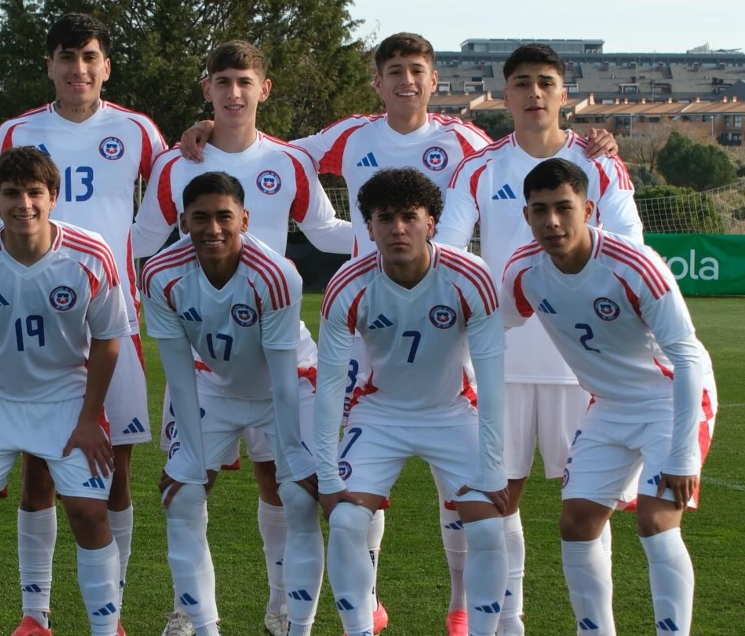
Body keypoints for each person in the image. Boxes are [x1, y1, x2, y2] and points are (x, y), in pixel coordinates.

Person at [179, 33, 617, 634]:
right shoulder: (351, 136)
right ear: (377, 81)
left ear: (433, 80)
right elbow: (270, 152)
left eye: (416, 71)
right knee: (363, 480)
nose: (405, 81)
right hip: (366, 317)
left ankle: (465, 604)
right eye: (393, 71)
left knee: (461, 488)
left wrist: (595, 145)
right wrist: (210, 130)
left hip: (446, 317)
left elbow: (534, 160)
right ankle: (371, 598)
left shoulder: (466, 143)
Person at [132, 39, 348, 636]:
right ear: (208, 89)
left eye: (243, 82)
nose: (233, 93)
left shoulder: (288, 162)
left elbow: (327, 232)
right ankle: (190, 610)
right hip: (205, 352)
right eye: (222, 81)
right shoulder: (177, 163)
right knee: (183, 484)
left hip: (276, 341)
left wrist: (407, 241)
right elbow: (144, 237)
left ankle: (283, 609)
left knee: (282, 484)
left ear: (262, 90)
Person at [438, 43, 643, 635]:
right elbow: (451, 250)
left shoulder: (601, 163)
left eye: (545, 82)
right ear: (505, 97)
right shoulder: (480, 167)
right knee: (498, 502)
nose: (533, 93)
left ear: (563, 94)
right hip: (500, 359)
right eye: (521, 83)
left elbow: (632, 241)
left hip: (584, 365)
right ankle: (508, 625)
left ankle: (594, 627)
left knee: (588, 514)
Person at [0, 15, 167, 633]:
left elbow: (174, 196)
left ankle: (108, 613)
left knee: (113, 470)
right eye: (67, 57)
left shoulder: (139, 130)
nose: (78, 69)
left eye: (90, 57)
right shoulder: (17, 130)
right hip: (36, 323)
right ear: (51, 65)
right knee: (39, 465)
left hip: (112, 320)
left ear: (105, 66)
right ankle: (35, 613)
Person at [502, 158, 717, 635]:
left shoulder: (634, 265)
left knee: (656, 521)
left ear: (589, 209)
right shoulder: (524, 271)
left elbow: (686, 356)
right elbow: (493, 326)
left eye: (564, 207)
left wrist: (682, 453)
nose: (552, 221)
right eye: (540, 210)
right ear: (527, 216)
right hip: (609, 407)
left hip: (670, 398)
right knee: (577, 522)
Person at [0, 146, 128, 636]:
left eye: (34, 192)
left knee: (87, 512)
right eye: (11, 193)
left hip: (67, 398)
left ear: (53, 197)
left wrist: (89, 419)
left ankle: (105, 630)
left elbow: (107, 341)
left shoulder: (90, 253)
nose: (24, 204)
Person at [313, 168, 508, 636]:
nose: (398, 228)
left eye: (409, 217)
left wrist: (493, 465)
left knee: (485, 527)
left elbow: (494, 377)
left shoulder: (470, 276)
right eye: (385, 218)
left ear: (431, 222)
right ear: (370, 227)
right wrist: (325, 472)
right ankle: (359, 627)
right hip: (380, 415)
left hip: (452, 411)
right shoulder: (348, 284)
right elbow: (328, 381)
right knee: (344, 521)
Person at [142, 172, 323, 636]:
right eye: (200, 218)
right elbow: (179, 376)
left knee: (300, 497)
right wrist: (190, 455)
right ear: (183, 221)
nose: (213, 228)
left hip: (289, 382)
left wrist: (296, 458)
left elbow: (282, 381)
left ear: (244, 218)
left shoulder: (276, 274)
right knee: (181, 495)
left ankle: (290, 618)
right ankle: (200, 622)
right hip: (214, 384)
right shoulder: (160, 273)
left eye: (225, 216)